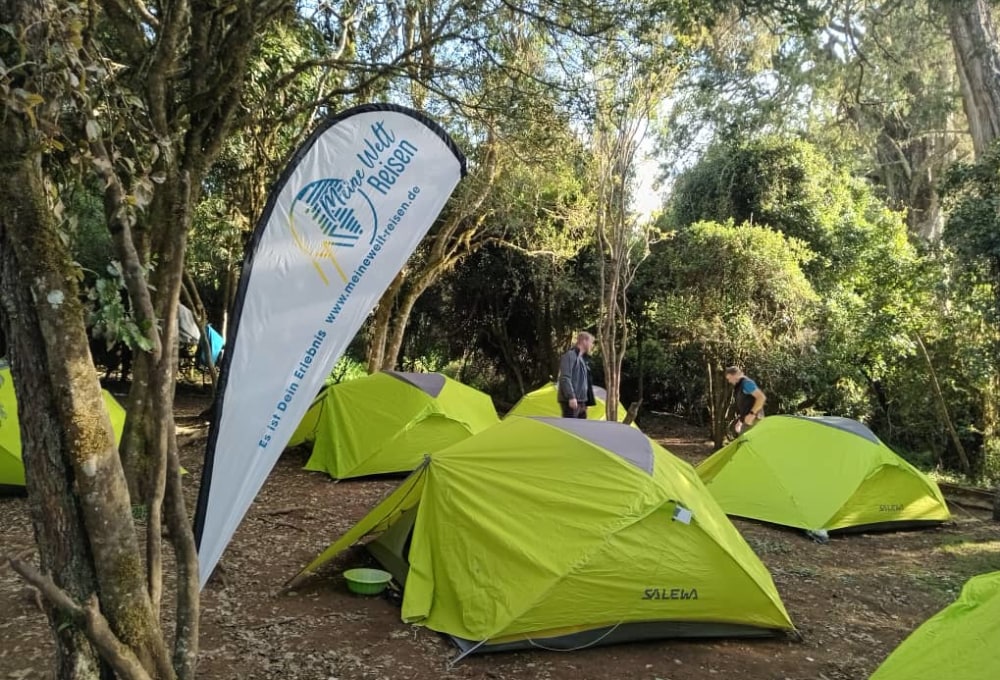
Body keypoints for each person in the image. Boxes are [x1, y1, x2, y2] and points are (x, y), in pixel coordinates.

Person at [557, 332, 595, 418]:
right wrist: (571, 397)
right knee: (570, 428)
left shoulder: (582, 359)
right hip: (571, 401)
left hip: (581, 402)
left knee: (581, 429)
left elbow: (584, 382)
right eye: (591, 342)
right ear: (584, 341)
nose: (592, 345)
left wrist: (585, 402)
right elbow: (565, 378)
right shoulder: (570, 355)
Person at [725, 366, 766, 434]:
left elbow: (761, 398)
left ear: (735, 375)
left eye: (730, 378)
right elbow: (746, 406)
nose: (729, 381)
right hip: (748, 420)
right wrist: (741, 420)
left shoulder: (746, 383)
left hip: (754, 419)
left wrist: (752, 414)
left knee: (746, 442)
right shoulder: (740, 386)